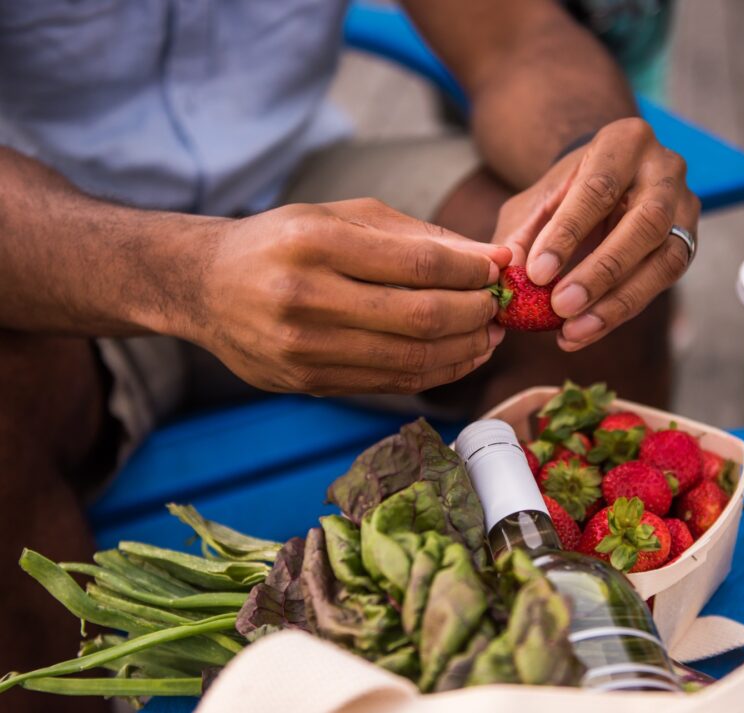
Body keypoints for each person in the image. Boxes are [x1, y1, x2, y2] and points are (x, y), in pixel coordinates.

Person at [0, 1, 699, 710]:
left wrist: (587, 165)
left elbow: (517, 38)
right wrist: (188, 276)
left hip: (293, 174)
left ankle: (568, 670)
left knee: (589, 287)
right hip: (63, 234)